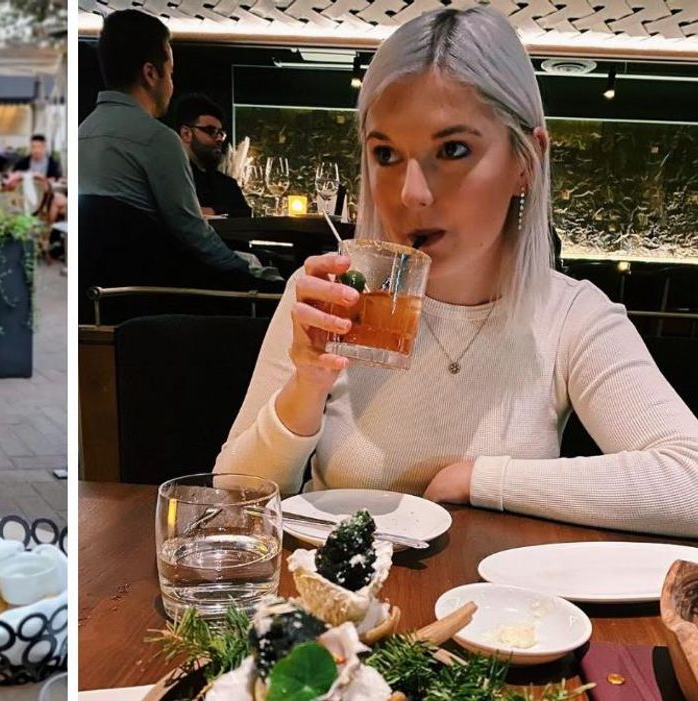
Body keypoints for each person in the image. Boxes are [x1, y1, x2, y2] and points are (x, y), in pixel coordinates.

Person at [214, 6, 698, 537]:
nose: (411, 194)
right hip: (336, 606)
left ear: (525, 163)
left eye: (453, 149)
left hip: (498, 609)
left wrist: (482, 480)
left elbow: (690, 481)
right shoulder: (333, 294)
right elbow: (234, 495)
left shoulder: (569, 316)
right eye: (386, 154)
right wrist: (306, 384)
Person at [78, 9, 278, 302]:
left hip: (93, 300)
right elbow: (194, 236)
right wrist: (255, 274)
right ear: (150, 73)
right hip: (155, 298)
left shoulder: (79, 135)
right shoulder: (156, 139)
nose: (172, 85)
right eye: (170, 73)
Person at [173, 94, 251, 218]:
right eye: (211, 131)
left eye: (221, 133)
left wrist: (211, 211)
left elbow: (245, 214)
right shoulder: (170, 176)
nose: (220, 138)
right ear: (186, 133)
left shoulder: (227, 183)